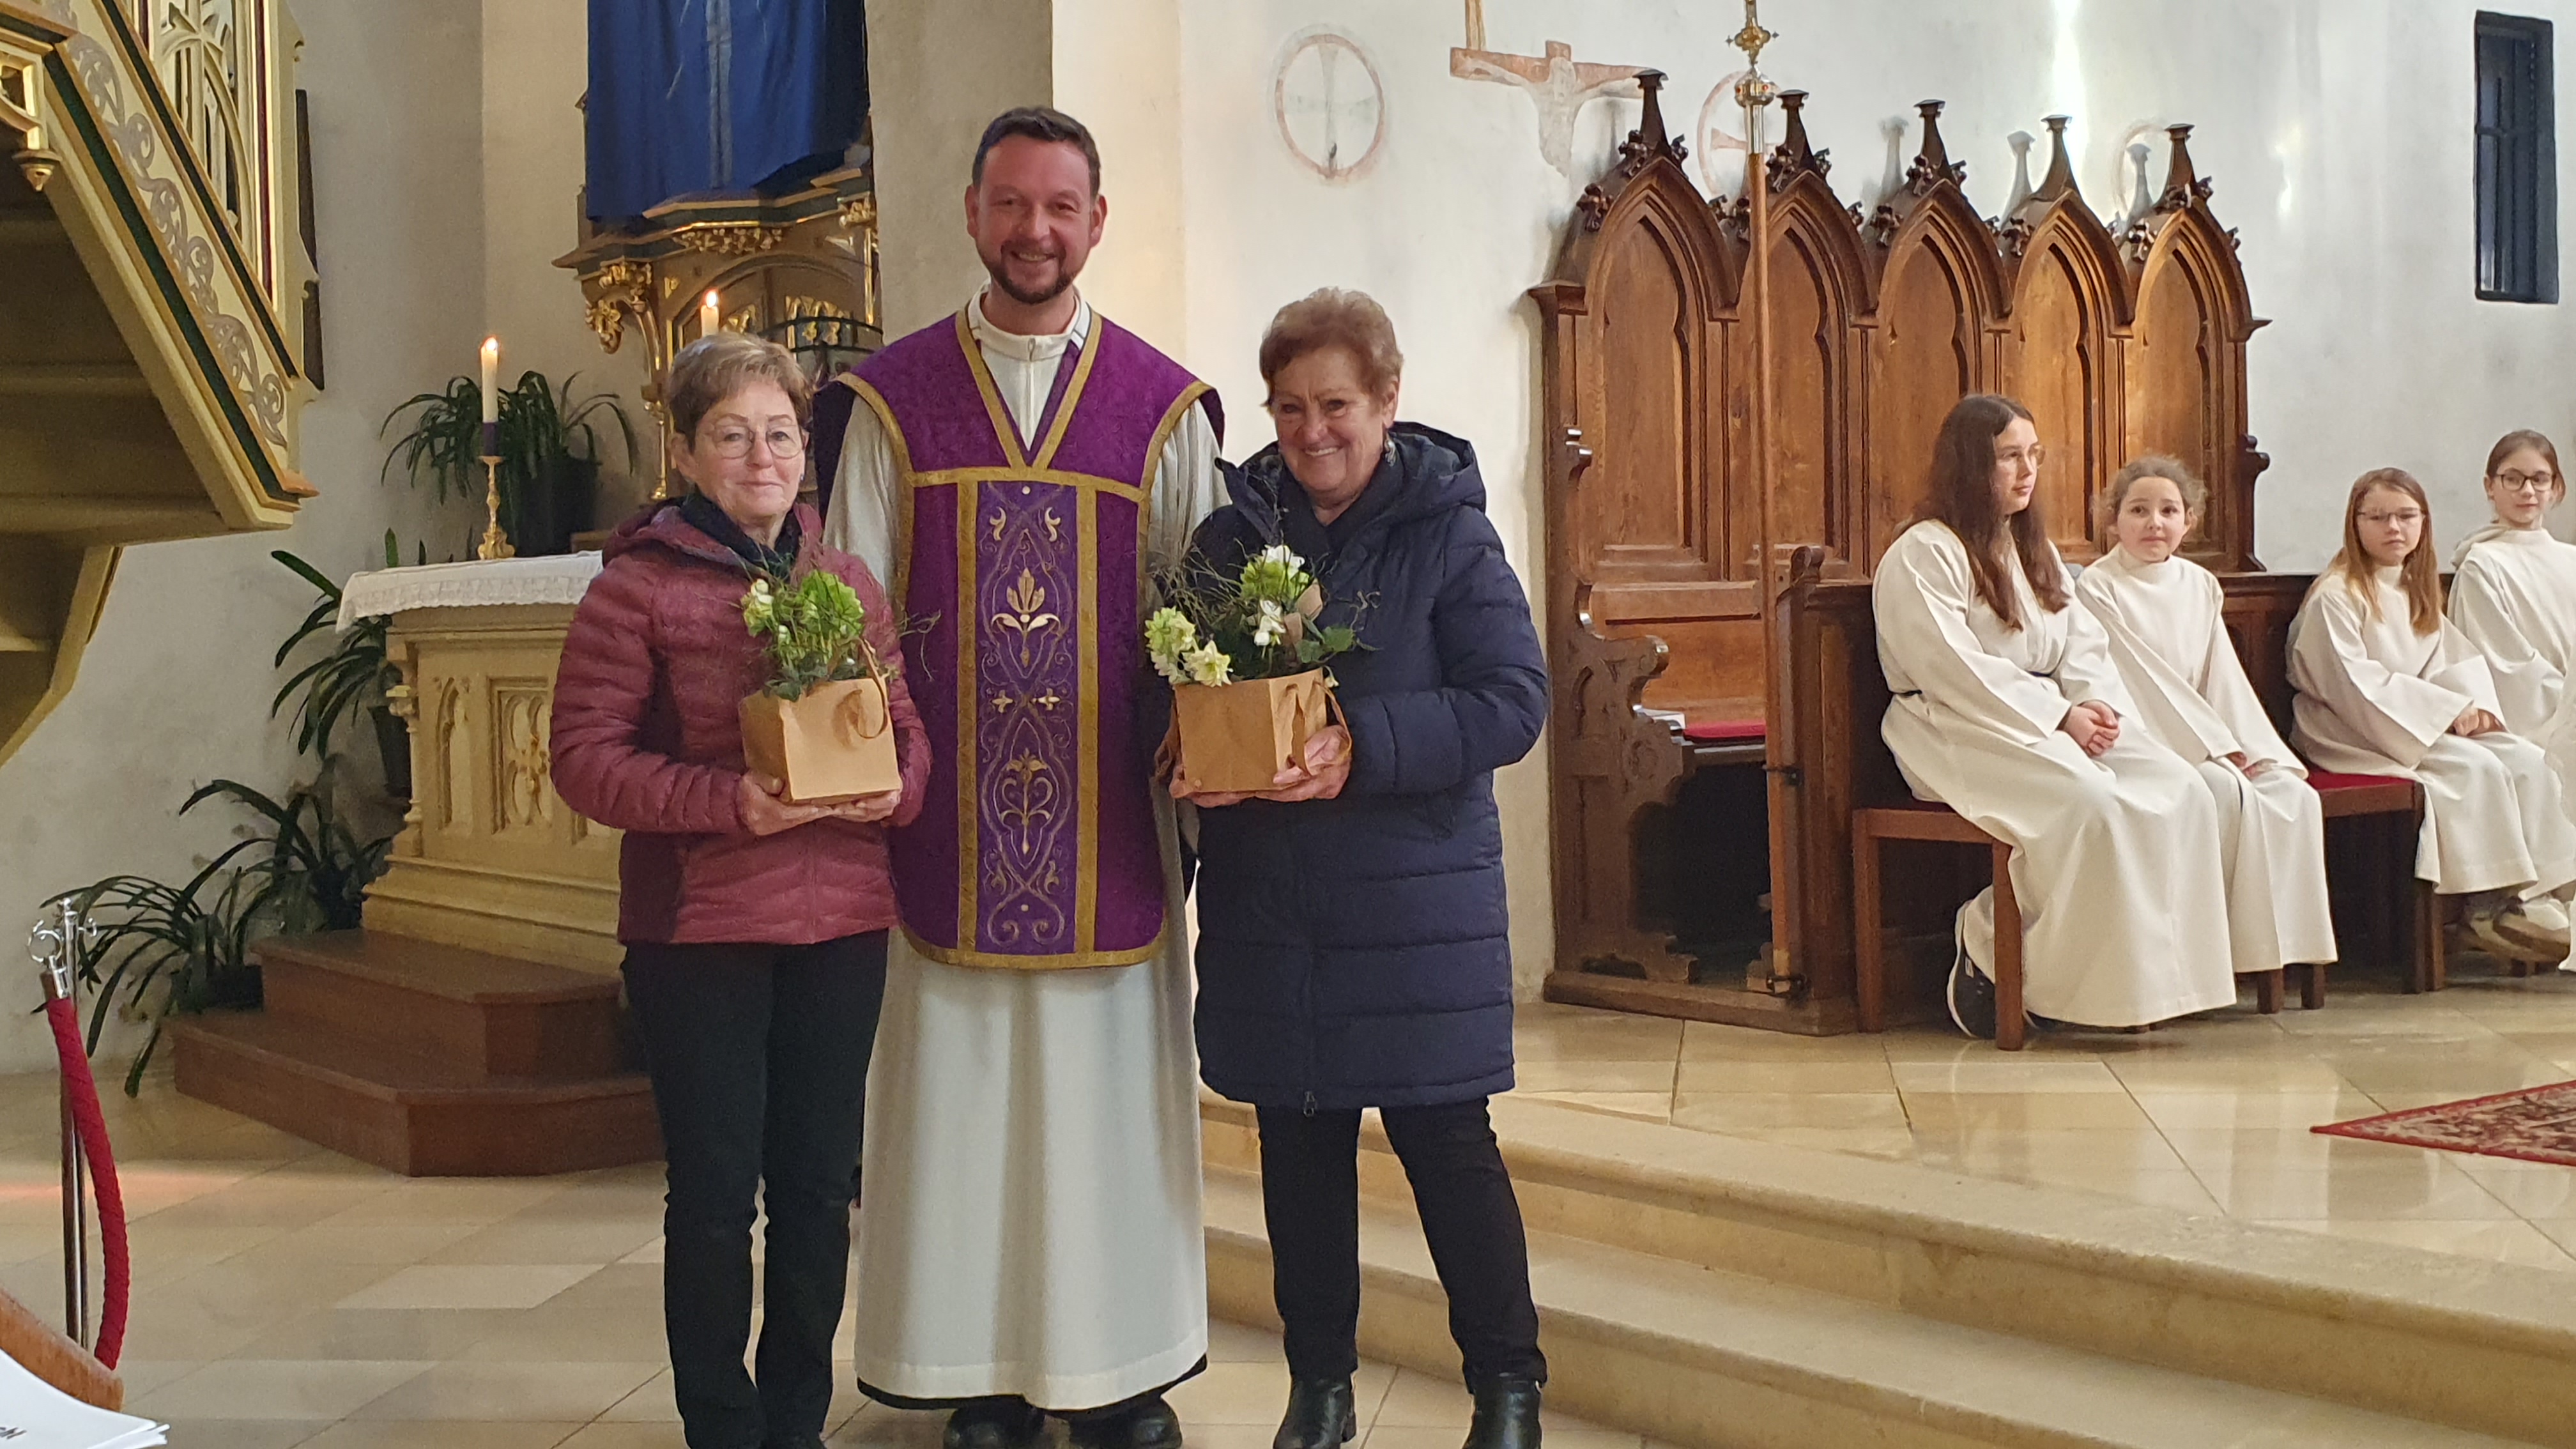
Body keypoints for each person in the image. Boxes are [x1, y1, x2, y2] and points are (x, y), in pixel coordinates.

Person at [820, 107, 1222, 1449]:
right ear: (973, 211)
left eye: (1060, 206)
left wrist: (1212, 729)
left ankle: (1117, 1375)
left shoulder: (1162, 406)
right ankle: (974, 1376)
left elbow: (1208, 612)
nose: (1034, 230)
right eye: (1010, 204)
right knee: (962, 1118)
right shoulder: (896, 397)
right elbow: (852, 604)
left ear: (1097, 223)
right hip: (947, 827)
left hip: (1113, 825)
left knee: (1105, 1121)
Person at [1174, 289, 1551, 1449]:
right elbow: (1180, 680)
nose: (1310, 430)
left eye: (1335, 403)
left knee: (1447, 1146)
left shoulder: (1451, 533)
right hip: (1273, 906)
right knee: (1297, 1148)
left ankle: (1506, 1388)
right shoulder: (1230, 539)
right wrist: (1192, 748)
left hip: (1410, 899)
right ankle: (1320, 1391)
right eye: (1287, 408)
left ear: (1387, 400)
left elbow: (1513, 701)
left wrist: (1363, 748)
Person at [550, 332, 930, 1449]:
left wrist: (893, 790)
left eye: (779, 432)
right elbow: (584, 759)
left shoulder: (847, 581)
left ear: (804, 446)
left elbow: (904, 733)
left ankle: (797, 1419)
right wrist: (730, 802)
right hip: (700, 932)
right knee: (716, 1200)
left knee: (818, 1192)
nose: (761, 455)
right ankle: (721, 1423)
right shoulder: (637, 589)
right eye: (732, 433)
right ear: (684, 449)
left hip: (843, 925)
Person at [1873, 395, 2235, 1036]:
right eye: (2008, 457)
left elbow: (2083, 643)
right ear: (1968, 464)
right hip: (1955, 727)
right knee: (2090, 804)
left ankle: (2145, 989)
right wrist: (2059, 714)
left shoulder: (2028, 549)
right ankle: (1990, 944)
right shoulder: (1923, 552)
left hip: (2050, 718)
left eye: (2033, 456)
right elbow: (1949, 666)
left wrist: (2092, 703)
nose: (2026, 471)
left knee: (2182, 788)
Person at [2288, 468, 2576, 964]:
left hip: (2415, 723)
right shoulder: (2337, 594)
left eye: (2406, 516)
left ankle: (2541, 893)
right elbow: (2353, 684)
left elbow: (2454, 660)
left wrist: (2473, 706)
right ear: (2354, 523)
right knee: (2477, 770)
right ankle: (2485, 905)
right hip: (2349, 732)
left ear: (2424, 522)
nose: (2393, 528)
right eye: (2377, 517)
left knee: (2528, 759)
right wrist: (2445, 712)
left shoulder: (2413, 589)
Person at [2074, 456, 2337, 982]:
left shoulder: (2199, 584)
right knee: (2220, 789)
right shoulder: (2098, 587)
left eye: (2169, 510)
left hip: (2207, 732)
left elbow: (2222, 676)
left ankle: (2277, 959)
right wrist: (2214, 748)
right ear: (2112, 520)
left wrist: (2252, 748)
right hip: (2148, 738)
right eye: (2139, 510)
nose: (2154, 523)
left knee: (2292, 795)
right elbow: (2141, 681)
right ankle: (2209, 962)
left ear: (2189, 520)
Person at [2449, 431, 2576, 900]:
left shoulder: (2572, 560)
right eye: (2513, 479)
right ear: (2490, 486)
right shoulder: (2483, 563)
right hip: (2537, 716)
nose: (2527, 491)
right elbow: (2504, 661)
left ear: (2556, 488)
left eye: (2539, 480)